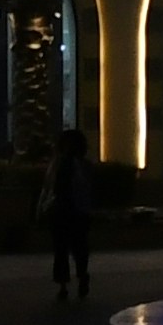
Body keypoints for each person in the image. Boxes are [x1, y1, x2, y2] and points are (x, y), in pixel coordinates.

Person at [46, 116, 97, 309]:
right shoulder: (82, 166)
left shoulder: (60, 164)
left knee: (65, 248)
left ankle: (66, 283)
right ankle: (78, 277)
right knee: (77, 248)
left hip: (66, 211)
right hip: (75, 211)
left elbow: (51, 188)